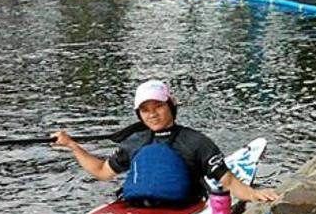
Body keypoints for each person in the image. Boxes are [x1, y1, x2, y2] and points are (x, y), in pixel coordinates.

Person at [53, 80, 279, 206]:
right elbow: (102, 171)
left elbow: (228, 181)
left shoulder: (195, 142)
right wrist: (73, 145)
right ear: (138, 114)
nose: (152, 115)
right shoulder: (135, 141)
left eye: (158, 107)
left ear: (170, 106)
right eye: (145, 110)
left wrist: (254, 194)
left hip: (184, 210)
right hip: (135, 210)